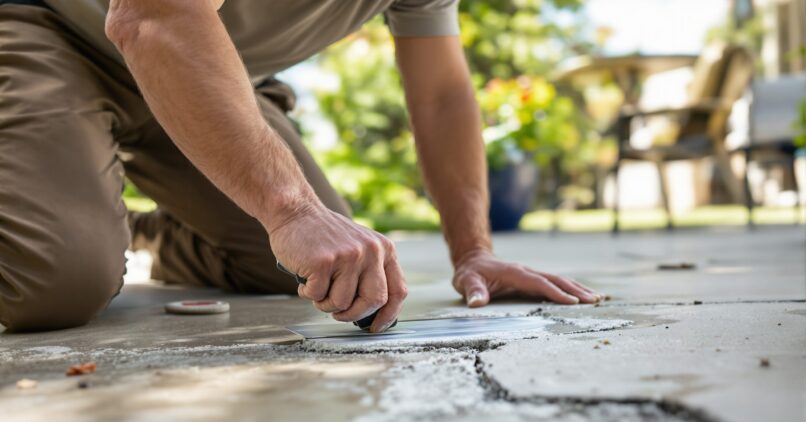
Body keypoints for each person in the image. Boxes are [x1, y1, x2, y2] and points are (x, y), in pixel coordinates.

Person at [0, 0, 603, 333]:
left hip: (205, 77)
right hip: (52, 30)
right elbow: (151, 17)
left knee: (305, 268)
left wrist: (473, 252)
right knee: (50, 287)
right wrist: (292, 209)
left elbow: (442, 96)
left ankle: (134, 231)